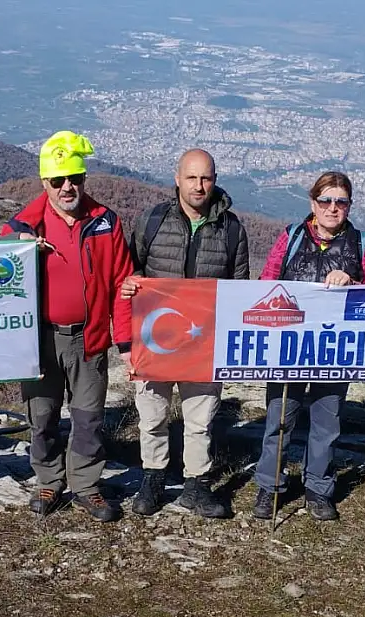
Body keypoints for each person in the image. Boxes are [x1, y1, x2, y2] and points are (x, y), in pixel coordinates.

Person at [0, 131, 134, 523]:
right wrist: (17, 246)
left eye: (74, 178)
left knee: (88, 416)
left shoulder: (106, 222)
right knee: (41, 414)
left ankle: (86, 485)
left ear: (84, 179)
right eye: (57, 180)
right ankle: (48, 477)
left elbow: (121, 284)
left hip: (88, 337)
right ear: (45, 183)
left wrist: (123, 342)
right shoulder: (22, 226)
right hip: (39, 338)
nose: (67, 187)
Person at [120, 148, 249, 518]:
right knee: (153, 415)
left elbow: (238, 289)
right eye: (191, 177)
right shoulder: (152, 221)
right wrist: (128, 330)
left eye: (206, 178)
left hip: (203, 343)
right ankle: (153, 478)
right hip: (154, 339)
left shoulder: (232, 228)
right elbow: (131, 274)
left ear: (215, 180)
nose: (199, 185)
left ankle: (196, 485)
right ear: (177, 179)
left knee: (199, 420)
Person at [250, 171, 365, 521]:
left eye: (341, 201)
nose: (333, 208)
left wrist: (352, 283)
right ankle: (270, 486)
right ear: (313, 203)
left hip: (335, 348)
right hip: (288, 345)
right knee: (280, 417)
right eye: (326, 200)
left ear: (349, 205)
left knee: (327, 422)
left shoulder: (361, 244)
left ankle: (318, 489)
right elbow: (266, 282)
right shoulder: (292, 237)